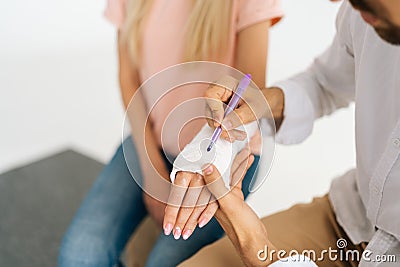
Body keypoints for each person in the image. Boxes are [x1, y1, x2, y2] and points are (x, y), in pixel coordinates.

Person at [58, 1, 283, 266]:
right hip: (152, 136)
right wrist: (151, 169)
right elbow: (128, 78)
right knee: (79, 256)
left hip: (224, 155)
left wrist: (199, 165)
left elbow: (250, 99)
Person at [178, 0, 400, 266]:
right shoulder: (366, 14)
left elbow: (257, 251)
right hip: (352, 218)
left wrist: (258, 250)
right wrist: (265, 101)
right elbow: (325, 83)